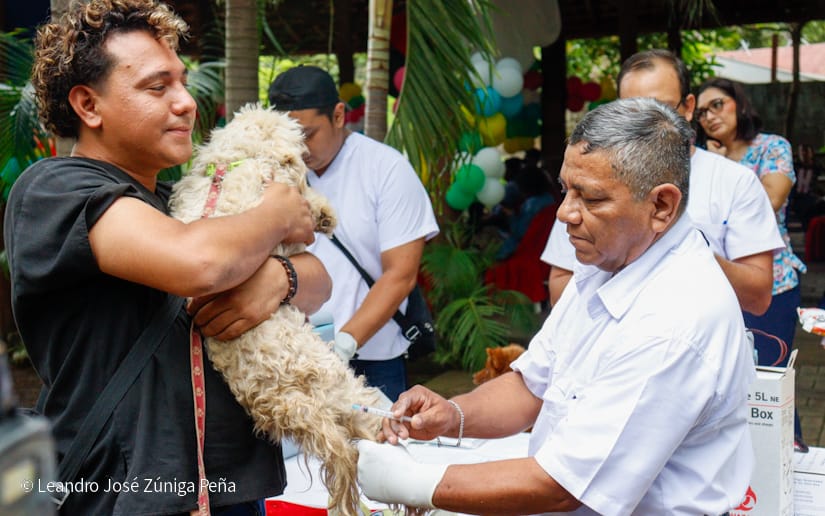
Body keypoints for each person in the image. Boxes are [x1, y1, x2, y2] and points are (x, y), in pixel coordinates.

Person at [4, 1, 332, 514]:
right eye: (157, 88)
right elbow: (199, 263)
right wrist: (278, 212)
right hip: (123, 493)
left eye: (183, 82)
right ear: (88, 105)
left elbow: (321, 279)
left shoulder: (177, 201)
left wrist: (281, 277)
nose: (186, 103)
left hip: (229, 489)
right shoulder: (55, 190)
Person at [356, 97, 756, 515]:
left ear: (661, 206)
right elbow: (533, 385)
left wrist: (415, 483)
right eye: (566, 190)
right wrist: (452, 414)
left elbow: (566, 484)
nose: (565, 213)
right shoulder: (608, 265)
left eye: (592, 198)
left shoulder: (674, 321)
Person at [542, 50, 782, 316]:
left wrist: (684, 249)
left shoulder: (735, 181)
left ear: (688, 107)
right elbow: (560, 285)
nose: (645, 126)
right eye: (632, 111)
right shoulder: (590, 182)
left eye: (661, 109)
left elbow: (758, 297)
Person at [268, 66, 439, 401]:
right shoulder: (276, 175)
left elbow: (400, 275)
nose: (298, 149)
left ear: (338, 115)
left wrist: (344, 344)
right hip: (292, 357)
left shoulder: (385, 169)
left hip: (371, 359)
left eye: (307, 134)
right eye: (287, 138)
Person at [695, 77, 809, 453]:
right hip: (715, 286)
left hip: (770, 284)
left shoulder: (771, 147)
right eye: (701, 112)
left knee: (768, 379)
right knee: (724, 382)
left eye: (718, 104)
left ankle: (787, 456)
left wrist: (723, 165)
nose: (709, 117)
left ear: (739, 104)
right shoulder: (699, 159)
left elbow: (771, 199)